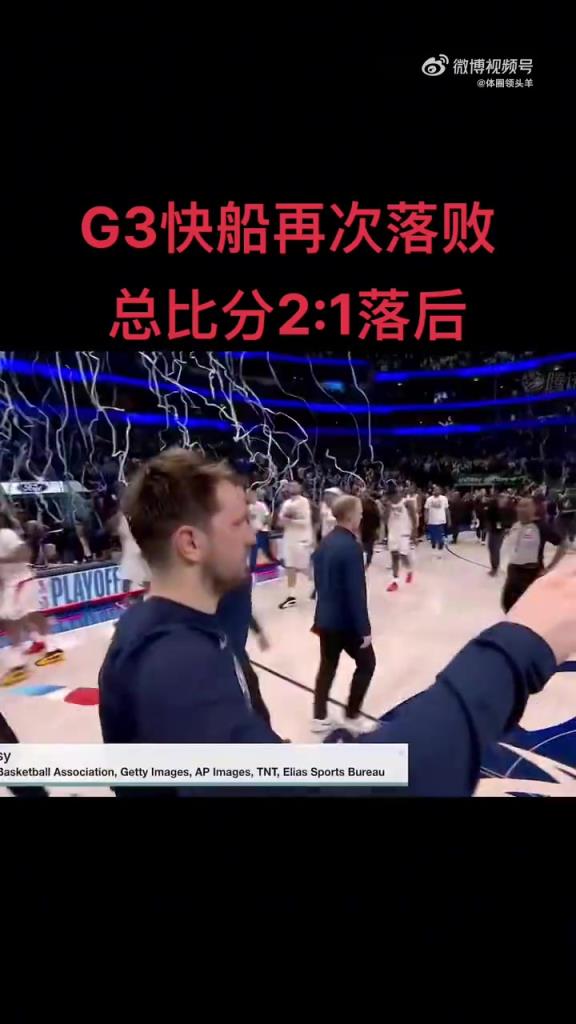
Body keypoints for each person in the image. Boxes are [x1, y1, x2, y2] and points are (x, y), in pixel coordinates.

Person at [98, 447, 576, 798]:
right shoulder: (174, 668)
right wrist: (512, 652)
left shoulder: (179, 633)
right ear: (191, 544)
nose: (252, 536)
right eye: (239, 523)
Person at [311, 496, 376, 735]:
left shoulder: (325, 542)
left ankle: (319, 717)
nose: (361, 516)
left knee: (327, 666)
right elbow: (355, 592)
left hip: (324, 617)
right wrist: (364, 629)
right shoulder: (352, 547)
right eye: (359, 513)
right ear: (350, 516)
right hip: (345, 622)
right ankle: (352, 714)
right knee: (367, 663)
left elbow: (319, 581)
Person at [0, 511, 64, 687]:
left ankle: (19, 665)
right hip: (15, 583)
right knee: (29, 616)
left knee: (11, 620)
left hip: (19, 582)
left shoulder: (5, 534)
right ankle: (44, 643)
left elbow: (25, 554)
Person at [218, 574, 272, 727]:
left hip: (237, 653)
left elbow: (245, 610)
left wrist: (258, 631)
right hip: (230, 657)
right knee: (252, 702)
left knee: (254, 697)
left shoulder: (240, 583)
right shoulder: (226, 587)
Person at [501, 497, 565, 612]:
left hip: (531, 574)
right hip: (514, 572)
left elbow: (563, 545)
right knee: (507, 604)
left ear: (533, 509)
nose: (521, 509)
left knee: (527, 608)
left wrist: (549, 567)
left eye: (525, 506)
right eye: (520, 506)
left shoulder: (541, 526)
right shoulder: (516, 525)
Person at [277, 482, 313, 609]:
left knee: (304, 568)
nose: (291, 487)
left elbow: (305, 522)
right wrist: (283, 521)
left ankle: (323, 585)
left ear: (300, 488)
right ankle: (291, 596)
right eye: (290, 485)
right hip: (289, 539)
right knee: (290, 567)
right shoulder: (286, 504)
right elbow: (280, 522)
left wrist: (290, 520)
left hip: (301, 539)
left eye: (294, 485)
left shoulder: (304, 502)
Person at [385, 488, 417, 592]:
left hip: (404, 532)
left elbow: (414, 518)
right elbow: (384, 520)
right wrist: (387, 509)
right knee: (394, 557)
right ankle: (395, 581)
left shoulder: (407, 503)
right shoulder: (388, 505)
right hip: (392, 533)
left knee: (403, 555)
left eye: (393, 494)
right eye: (390, 496)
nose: (392, 497)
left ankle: (409, 570)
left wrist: (414, 533)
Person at [486, 492, 514, 577]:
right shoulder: (494, 506)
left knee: (495, 549)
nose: (504, 501)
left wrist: (507, 528)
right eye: (502, 498)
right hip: (493, 530)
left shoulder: (509, 508)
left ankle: (495, 568)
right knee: (491, 548)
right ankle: (494, 566)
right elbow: (488, 516)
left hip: (500, 531)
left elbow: (512, 519)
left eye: (505, 499)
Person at [246, 489, 274, 573]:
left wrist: (266, 526)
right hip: (253, 531)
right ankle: (253, 568)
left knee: (264, 549)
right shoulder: (246, 507)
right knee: (254, 549)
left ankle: (269, 563)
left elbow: (267, 517)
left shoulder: (261, 505)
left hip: (262, 530)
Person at [424, 486, 450, 557]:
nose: (436, 491)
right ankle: (434, 547)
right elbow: (426, 509)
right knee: (433, 538)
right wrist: (426, 517)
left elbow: (447, 509)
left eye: (438, 490)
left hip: (441, 521)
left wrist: (449, 520)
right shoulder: (429, 499)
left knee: (440, 538)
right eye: (435, 490)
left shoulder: (444, 499)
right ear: (433, 491)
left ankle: (440, 552)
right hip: (431, 521)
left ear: (440, 491)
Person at [359, 489, 381, 568]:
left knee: (364, 547)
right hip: (369, 529)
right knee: (368, 548)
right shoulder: (373, 504)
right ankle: (366, 563)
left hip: (363, 529)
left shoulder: (360, 503)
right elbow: (377, 518)